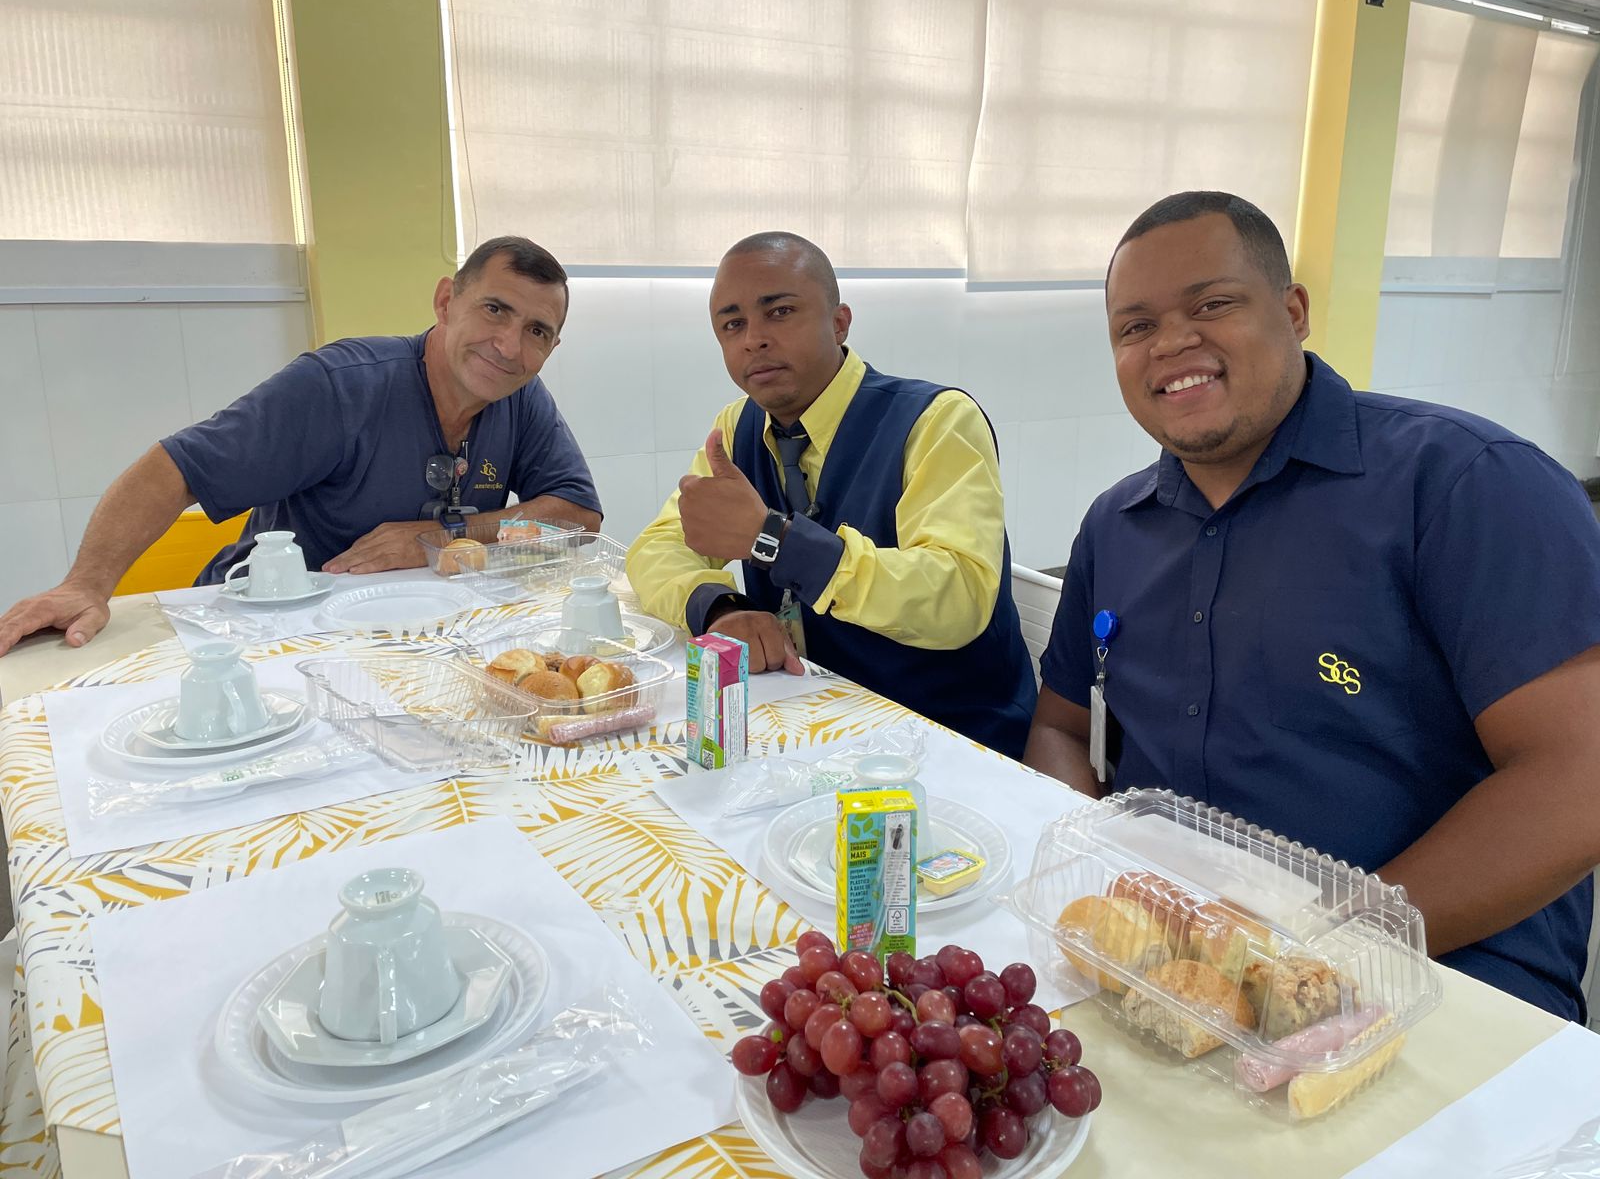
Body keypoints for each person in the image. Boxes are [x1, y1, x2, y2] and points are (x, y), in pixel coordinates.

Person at [1024, 190, 1600, 1019]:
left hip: (1442, 980)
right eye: (1135, 326)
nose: (1172, 343)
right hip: (1173, 971)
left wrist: (1316, 950)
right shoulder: (1116, 526)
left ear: (1293, 312)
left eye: (1211, 305)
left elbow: (1578, 776)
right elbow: (1061, 727)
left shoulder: (1465, 485)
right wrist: (1090, 867)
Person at [0, 236, 602, 656]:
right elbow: (174, 469)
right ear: (446, 302)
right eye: (494, 310)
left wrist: (445, 537)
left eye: (536, 331)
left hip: (422, 642)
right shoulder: (340, 387)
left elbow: (578, 515)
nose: (509, 346)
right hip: (272, 635)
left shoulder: (521, 397)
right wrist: (85, 585)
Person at [627, 232, 1037, 757]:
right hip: (808, 723)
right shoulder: (737, 429)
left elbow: (958, 595)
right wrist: (720, 606)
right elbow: (658, 546)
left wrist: (775, 540)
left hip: (948, 737)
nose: (753, 339)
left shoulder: (935, 421)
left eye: (779, 312)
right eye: (732, 325)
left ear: (839, 322)